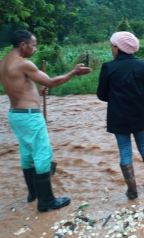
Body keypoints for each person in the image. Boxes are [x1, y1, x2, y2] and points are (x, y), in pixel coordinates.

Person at [0, 30, 91, 212]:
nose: (35, 49)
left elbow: (21, 87)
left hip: (16, 114)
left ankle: (33, 193)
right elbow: (50, 82)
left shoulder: (4, 62)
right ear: (23, 45)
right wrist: (73, 72)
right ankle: (46, 201)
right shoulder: (23, 63)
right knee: (43, 154)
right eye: (33, 45)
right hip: (30, 115)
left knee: (26, 153)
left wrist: (35, 92)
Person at [97, 31, 144, 200]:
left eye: (112, 46)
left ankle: (132, 191)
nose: (111, 49)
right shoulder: (143, 64)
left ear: (118, 48)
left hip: (118, 116)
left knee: (125, 152)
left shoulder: (108, 67)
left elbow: (101, 95)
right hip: (139, 113)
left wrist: (115, 99)